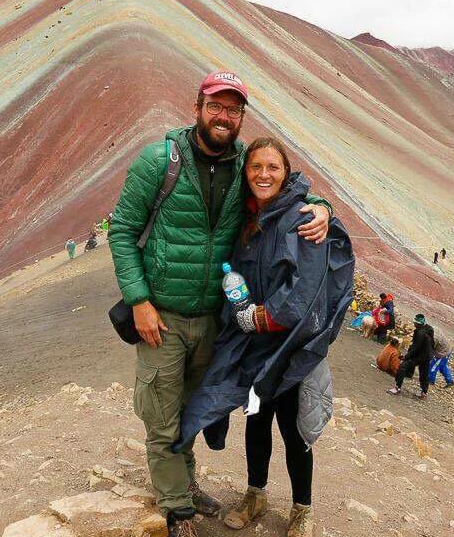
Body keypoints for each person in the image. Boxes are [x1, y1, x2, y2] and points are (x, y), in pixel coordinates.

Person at [108, 71, 332, 537]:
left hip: (213, 320)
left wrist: (321, 206)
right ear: (197, 108)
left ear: (241, 117)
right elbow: (123, 232)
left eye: (233, 109)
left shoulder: (243, 168)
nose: (223, 116)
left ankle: (185, 485)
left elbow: (284, 190)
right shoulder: (159, 161)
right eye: (216, 106)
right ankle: (176, 510)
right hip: (161, 317)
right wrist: (139, 301)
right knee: (162, 415)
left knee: (191, 409)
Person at [174, 137, 354, 537]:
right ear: (246, 172)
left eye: (273, 167)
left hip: (291, 351)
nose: (264, 175)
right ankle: (256, 494)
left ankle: (302, 509)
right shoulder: (248, 220)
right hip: (256, 351)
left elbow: (304, 292)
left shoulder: (303, 218)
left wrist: (260, 317)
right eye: (255, 167)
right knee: (257, 421)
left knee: (294, 431)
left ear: (286, 172)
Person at [388, 314, 434, 399]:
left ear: (418, 324)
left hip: (419, 356)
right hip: (427, 356)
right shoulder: (429, 329)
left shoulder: (420, 333)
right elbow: (431, 344)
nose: (414, 324)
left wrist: (406, 357)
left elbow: (416, 347)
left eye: (415, 323)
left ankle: (397, 388)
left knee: (402, 367)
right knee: (424, 374)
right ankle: (424, 393)